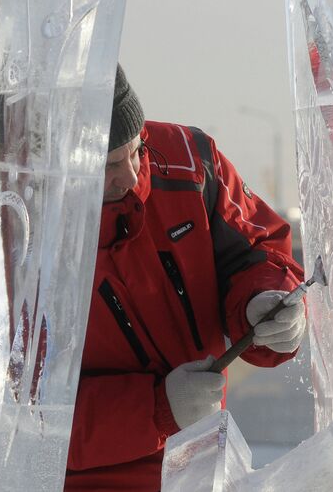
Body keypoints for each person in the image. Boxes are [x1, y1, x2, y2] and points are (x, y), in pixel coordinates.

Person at [64, 65, 306, 491]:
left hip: (197, 467)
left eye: (136, 150)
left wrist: (265, 302)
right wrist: (157, 410)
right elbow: (18, 420)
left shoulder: (191, 163)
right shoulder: (18, 233)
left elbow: (259, 249)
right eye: (107, 166)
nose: (133, 175)